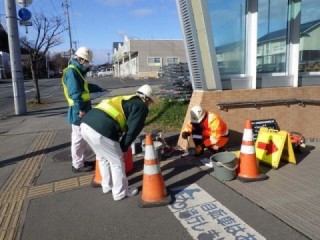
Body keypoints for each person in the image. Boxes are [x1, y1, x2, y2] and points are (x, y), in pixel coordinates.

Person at [80, 84, 154, 201]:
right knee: (117, 161)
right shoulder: (141, 106)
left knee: (102, 157)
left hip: (85, 125)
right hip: (102, 129)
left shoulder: (127, 99)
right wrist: (124, 148)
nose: (150, 105)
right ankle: (121, 192)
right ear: (147, 99)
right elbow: (133, 130)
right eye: (151, 102)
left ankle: (107, 186)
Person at [61, 46, 103, 173]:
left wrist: (97, 88)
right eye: (86, 61)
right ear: (80, 59)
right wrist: (80, 110)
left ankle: (81, 161)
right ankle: (78, 165)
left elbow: (84, 87)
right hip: (78, 110)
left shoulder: (77, 71)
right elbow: (75, 93)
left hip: (82, 108)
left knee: (82, 137)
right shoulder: (72, 72)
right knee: (78, 138)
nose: (87, 64)